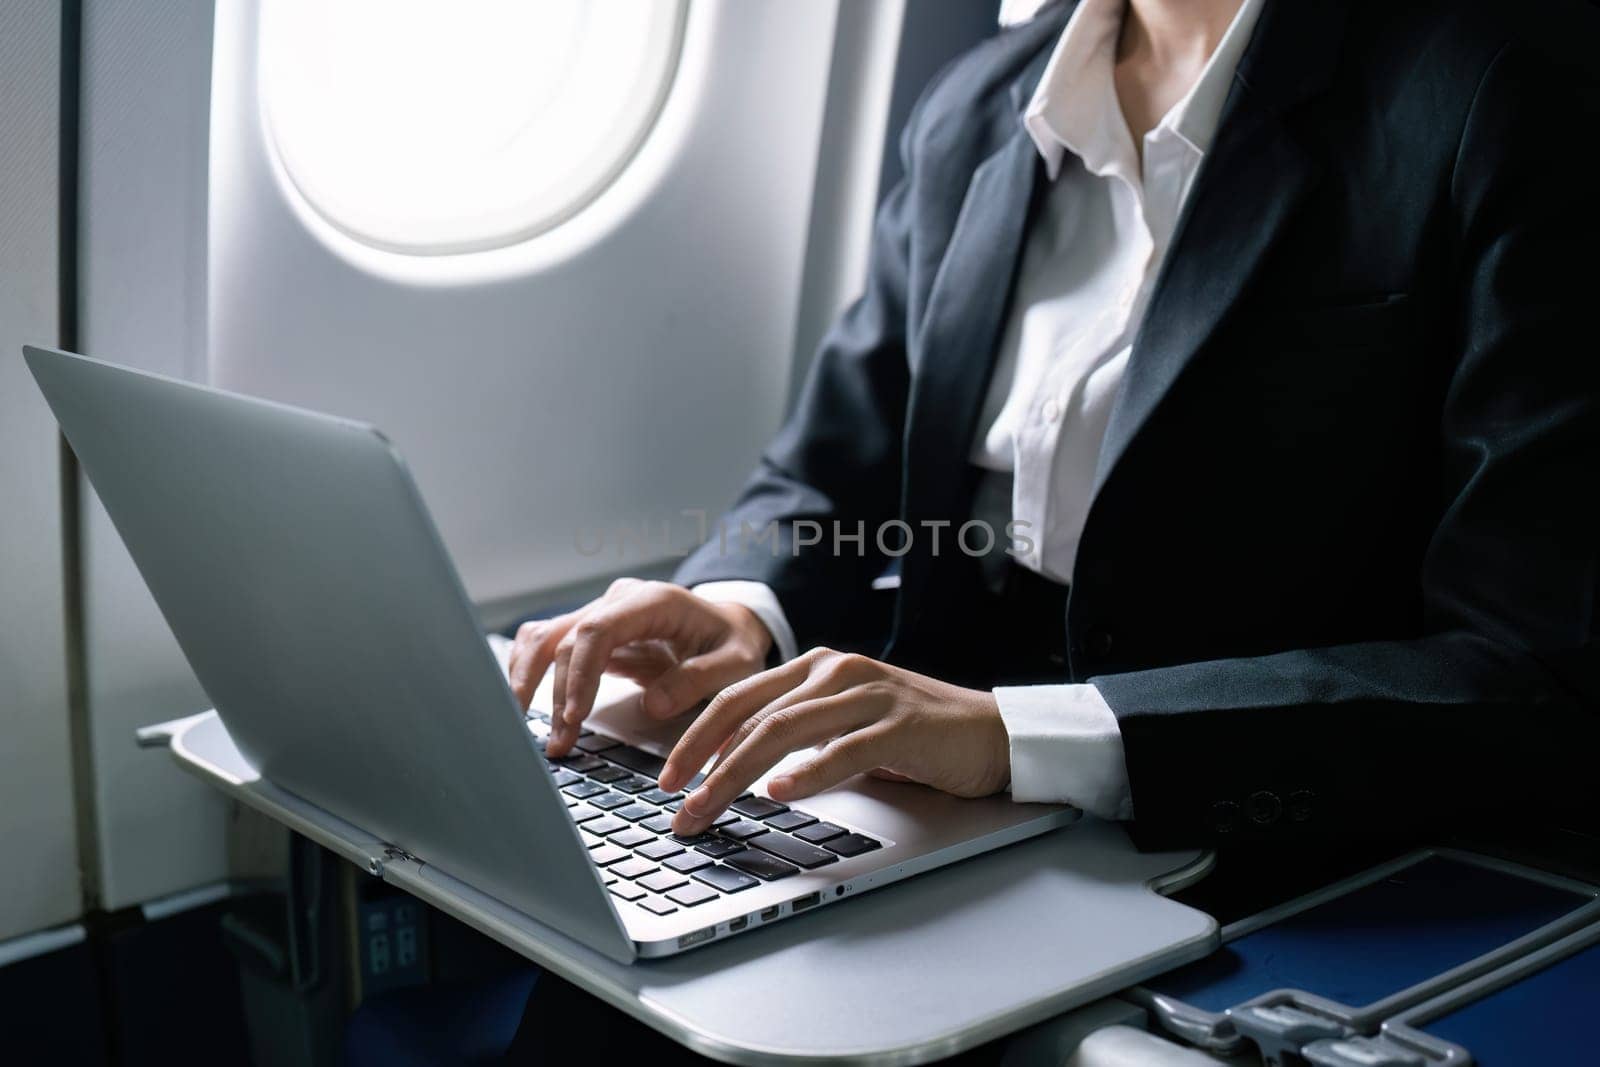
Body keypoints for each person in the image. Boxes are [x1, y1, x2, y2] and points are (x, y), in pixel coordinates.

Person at [504, 0, 1600, 1059]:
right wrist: (738, 605)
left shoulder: (1499, 90)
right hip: (923, 788)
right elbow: (827, 469)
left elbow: (1523, 665)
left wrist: (1016, 737)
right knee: (633, 987)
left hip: (1234, 807)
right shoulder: (981, 103)